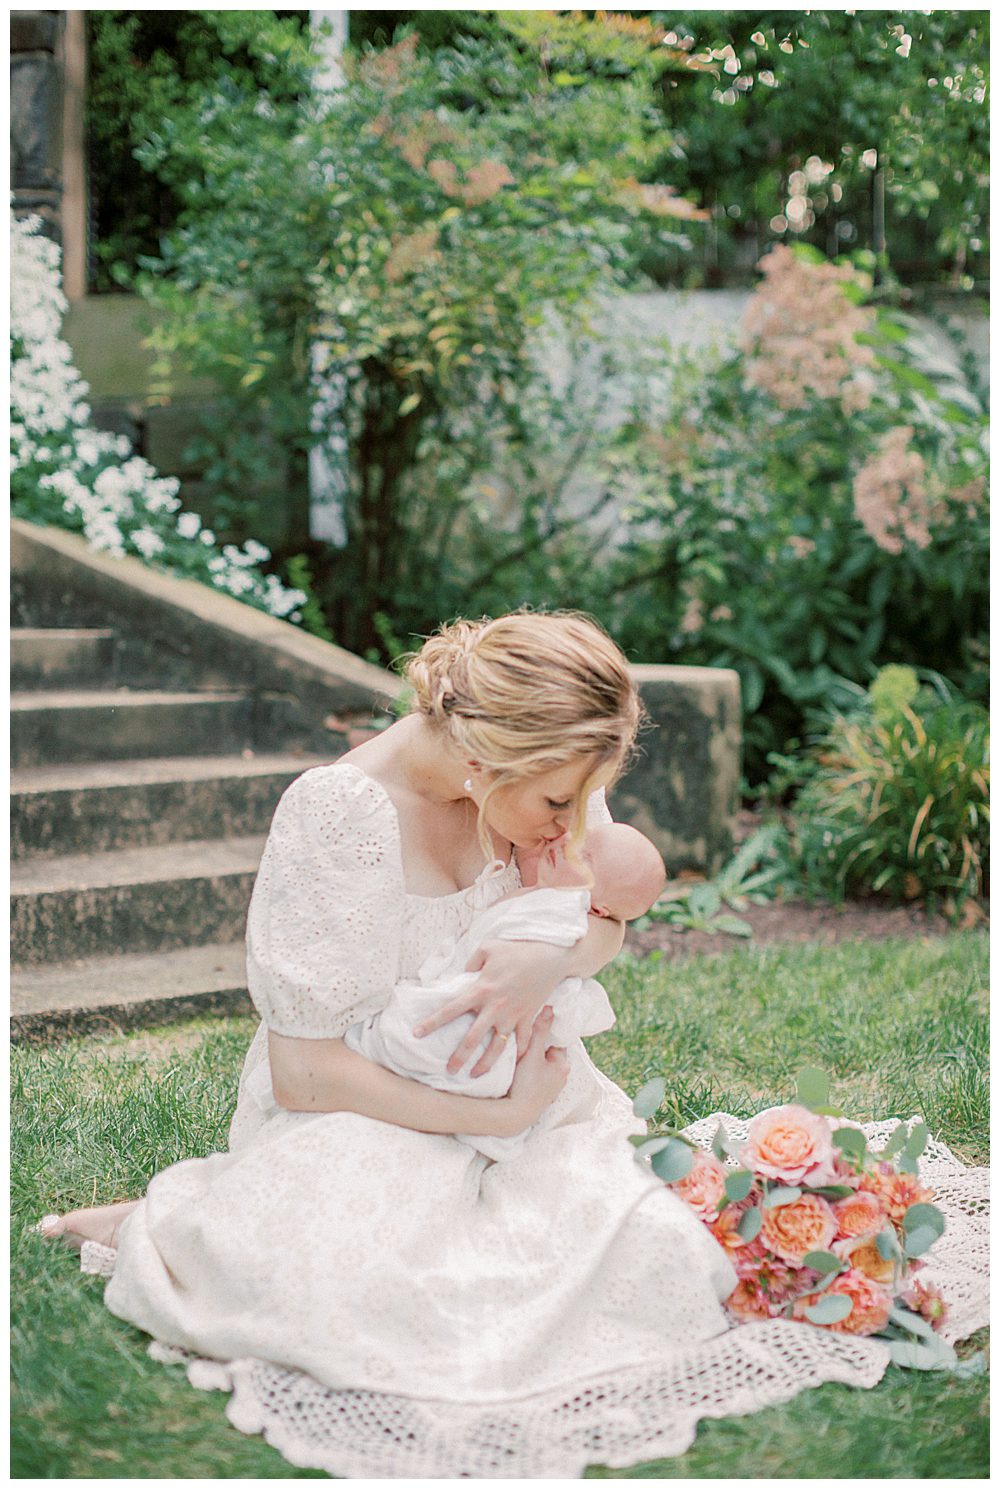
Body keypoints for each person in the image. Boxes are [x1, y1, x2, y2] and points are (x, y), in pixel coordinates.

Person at [35, 611, 911, 1479]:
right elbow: (305, 1074)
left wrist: (550, 963)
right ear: (485, 755)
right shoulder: (340, 813)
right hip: (360, 1107)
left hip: (521, 1091)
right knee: (385, 1297)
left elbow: (602, 919)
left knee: (656, 1246)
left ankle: (229, 1215)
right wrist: (495, 1111)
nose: (568, 823)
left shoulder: (543, 774)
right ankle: (189, 1221)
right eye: (557, 801)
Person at [341, 821, 666, 1160]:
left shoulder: (563, 913)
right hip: (472, 996)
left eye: (583, 856)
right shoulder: (554, 887)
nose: (567, 839)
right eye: (580, 836)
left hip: (501, 1018)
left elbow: (599, 943)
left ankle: (398, 1051)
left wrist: (549, 963)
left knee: (438, 1034)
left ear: (595, 907)